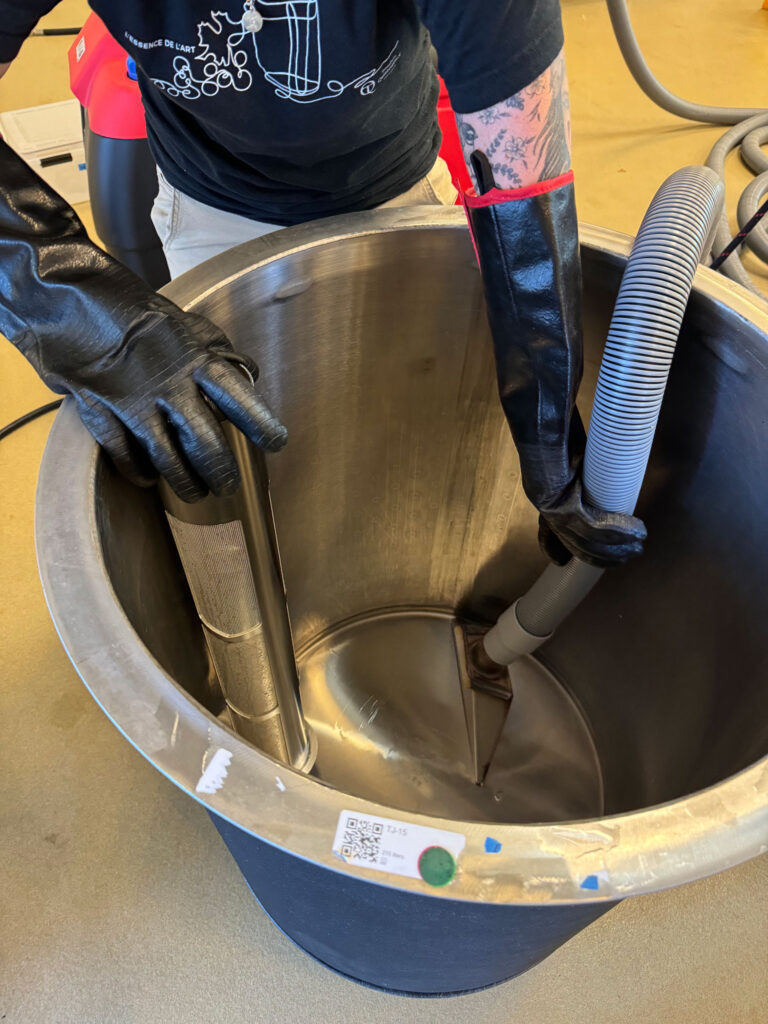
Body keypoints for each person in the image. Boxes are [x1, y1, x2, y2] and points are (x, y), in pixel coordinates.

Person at [0, 1, 645, 566]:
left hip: (399, 182)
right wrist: (70, 305)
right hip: (210, 200)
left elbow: (523, 181)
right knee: (248, 478)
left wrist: (548, 436)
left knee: (425, 427)